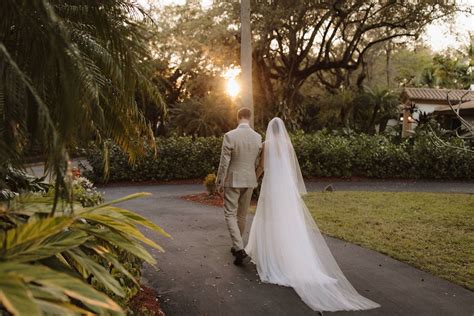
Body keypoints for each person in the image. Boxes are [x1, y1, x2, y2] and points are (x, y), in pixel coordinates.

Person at [245, 117, 380, 312]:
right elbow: (291, 169)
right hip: (286, 187)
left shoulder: (266, 145)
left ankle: (272, 254)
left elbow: (262, 167)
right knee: (288, 220)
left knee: (269, 219)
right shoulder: (288, 146)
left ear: (269, 130)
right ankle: (289, 253)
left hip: (272, 186)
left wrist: (254, 179)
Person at [216, 107, 262, 265]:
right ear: (249, 117)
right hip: (249, 179)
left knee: (229, 214)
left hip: (233, 180)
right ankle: (237, 246)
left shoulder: (230, 136)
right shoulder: (257, 137)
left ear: (238, 117)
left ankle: (239, 248)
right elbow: (257, 162)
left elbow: (224, 162)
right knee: (242, 215)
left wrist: (219, 181)